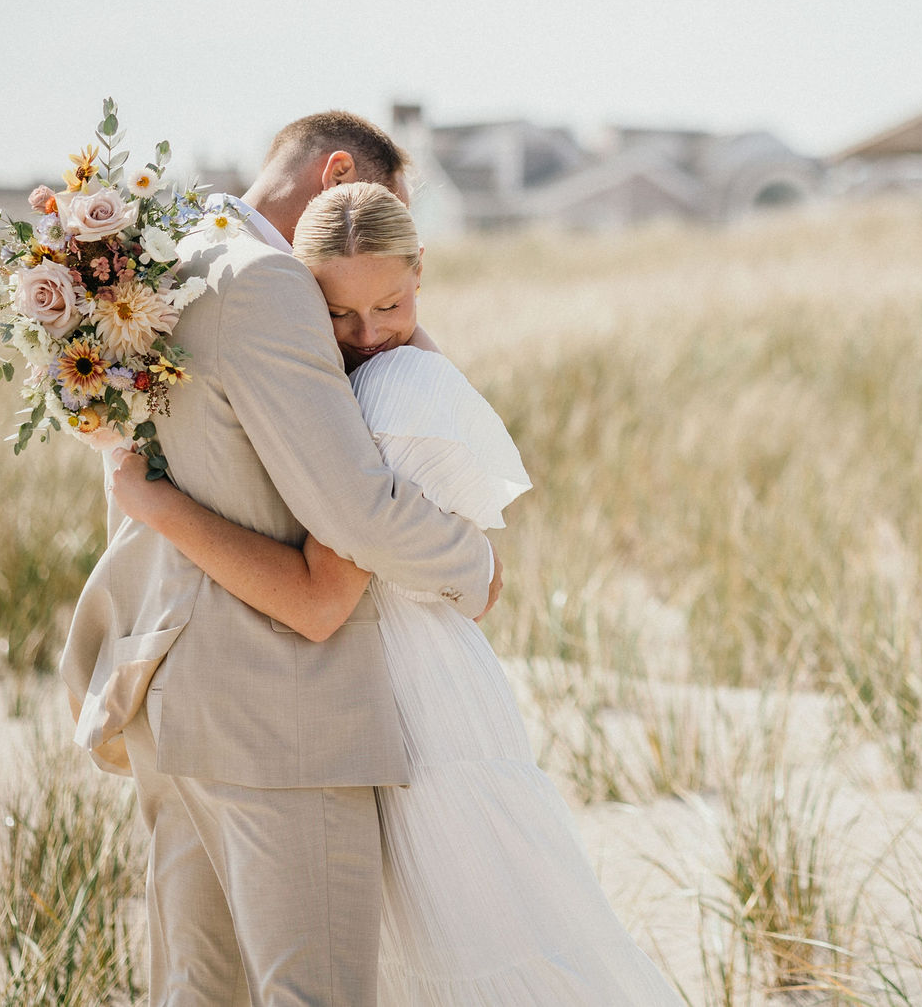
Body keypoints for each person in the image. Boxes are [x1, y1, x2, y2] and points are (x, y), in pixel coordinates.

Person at [108, 181, 684, 1005]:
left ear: (423, 271)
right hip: (390, 691)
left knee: (488, 941)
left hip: (424, 705)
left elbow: (319, 597)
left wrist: (156, 504)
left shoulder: (388, 396)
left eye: (391, 303)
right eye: (340, 315)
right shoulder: (348, 377)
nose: (369, 334)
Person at [60, 112, 501, 1006]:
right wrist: (476, 565)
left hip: (180, 696)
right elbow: (354, 509)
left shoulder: (163, 251)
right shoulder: (267, 283)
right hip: (282, 716)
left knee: (200, 991)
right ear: (339, 173)